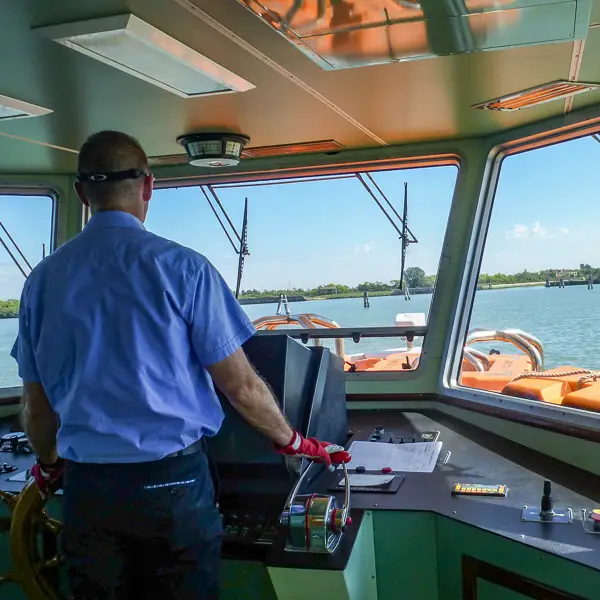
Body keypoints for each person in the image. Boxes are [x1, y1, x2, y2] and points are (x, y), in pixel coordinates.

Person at [11, 130, 350, 600]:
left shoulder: (41, 282)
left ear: (80, 192)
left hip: (89, 491)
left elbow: (37, 408)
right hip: (173, 484)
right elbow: (242, 387)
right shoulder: (184, 268)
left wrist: (48, 467)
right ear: (148, 186)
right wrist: (294, 441)